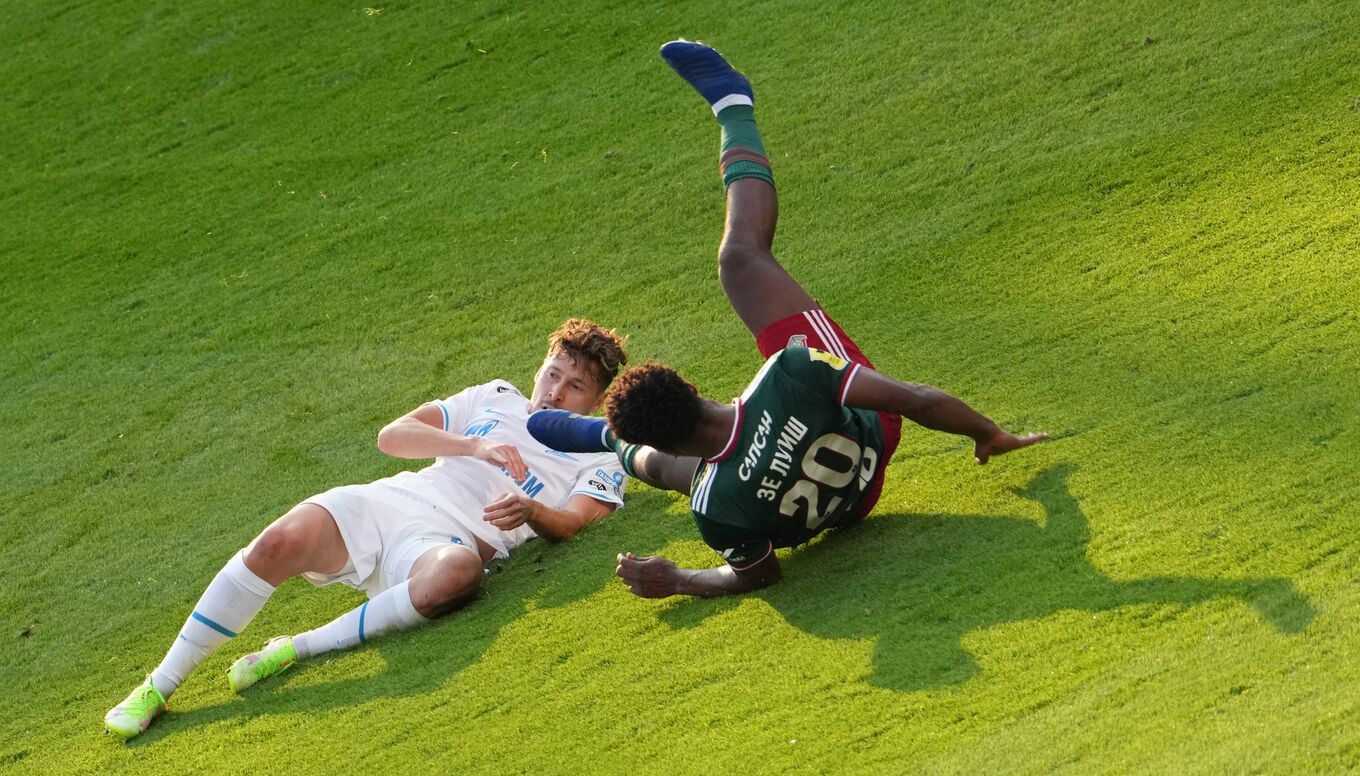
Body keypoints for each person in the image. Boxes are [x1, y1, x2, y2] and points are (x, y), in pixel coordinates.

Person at [527, 42, 1045, 599]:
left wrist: (678, 577)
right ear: (690, 384)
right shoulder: (788, 374)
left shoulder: (713, 505)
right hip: (877, 432)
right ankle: (732, 105)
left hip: (844, 514)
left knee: (680, 476)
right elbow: (914, 400)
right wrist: (988, 433)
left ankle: (611, 437)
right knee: (740, 261)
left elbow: (759, 574)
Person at [104, 319, 629, 739]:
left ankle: (294, 648)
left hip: (444, 543)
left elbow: (577, 523)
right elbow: (392, 437)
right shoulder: (494, 396)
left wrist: (533, 512)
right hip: (388, 503)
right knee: (276, 542)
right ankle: (159, 686)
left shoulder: (599, 455)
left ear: (597, 400)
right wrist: (474, 445)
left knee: (459, 573)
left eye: (576, 384)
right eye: (552, 373)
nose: (555, 391)